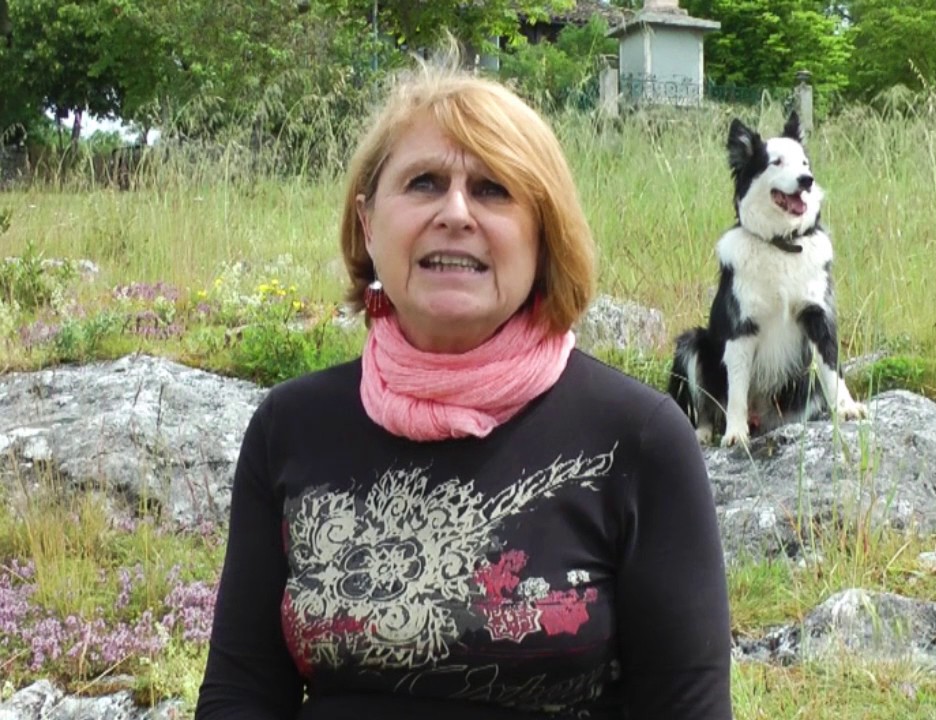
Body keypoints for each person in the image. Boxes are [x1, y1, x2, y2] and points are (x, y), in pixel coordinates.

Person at [194, 59, 733, 720]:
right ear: (368, 223)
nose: (455, 212)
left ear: (545, 232)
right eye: (423, 183)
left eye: (493, 190)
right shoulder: (292, 425)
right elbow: (241, 693)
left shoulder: (638, 437)